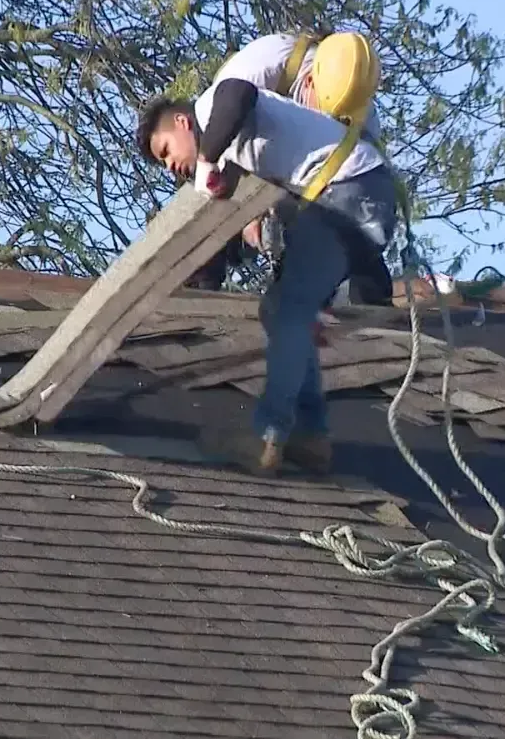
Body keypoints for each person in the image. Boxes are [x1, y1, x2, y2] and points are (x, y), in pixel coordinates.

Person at [135, 32, 397, 477]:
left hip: (346, 193)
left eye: (165, 151)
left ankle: (268, 437)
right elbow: (226, 240)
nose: (170, 166)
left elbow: (239, 92)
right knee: (280, 311)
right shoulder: (235, 147)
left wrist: (205, 163)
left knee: (289, 313)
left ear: (182, 123)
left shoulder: (213, 105)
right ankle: (310, 436)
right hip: (354, 198)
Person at [186, 31, 394, 304]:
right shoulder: (262, 65)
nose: (324, 121)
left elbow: (360, 187)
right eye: (320, 107)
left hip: (320, 184)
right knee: (213, 195)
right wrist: (251, 213)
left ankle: (367, 298)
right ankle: (200, 286)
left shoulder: (362, 118)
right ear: (309, 81)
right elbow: (227, 119)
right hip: (243, 152)